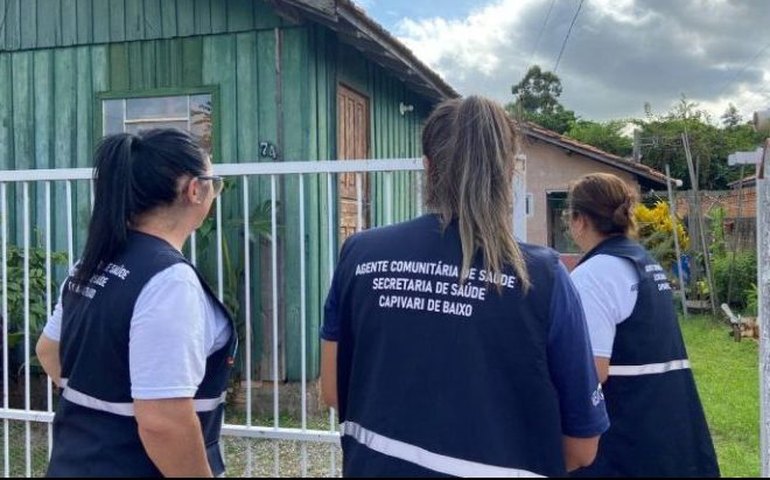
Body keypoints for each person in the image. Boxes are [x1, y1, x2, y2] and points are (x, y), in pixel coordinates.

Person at [320, 96, 609, 477]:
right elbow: (582, 447)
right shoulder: (544, 277)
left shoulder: (360, 253)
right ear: (508, 172)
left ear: (428, 168)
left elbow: (332, 390)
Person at [35, 128, 236, 477]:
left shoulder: (93, 263)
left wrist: (101, 415)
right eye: (213, 183)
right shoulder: (169, 282)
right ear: (194, 190)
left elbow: (49, 350)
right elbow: (162, 421)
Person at [565, 173, 719, 477]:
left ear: (579, 220)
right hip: (664, 428)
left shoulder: (593, 275)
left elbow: (592, 371)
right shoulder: (643, 261)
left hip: (624, 440)